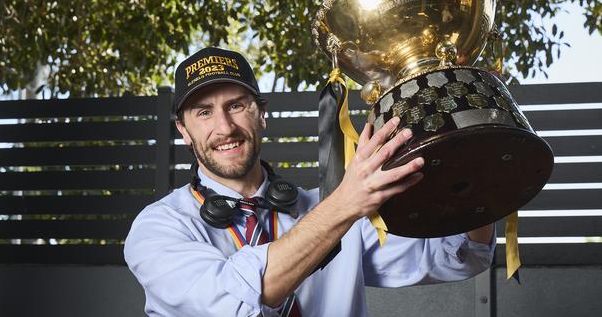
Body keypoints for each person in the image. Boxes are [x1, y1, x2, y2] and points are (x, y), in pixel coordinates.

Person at [124, 46, 495, 316]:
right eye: (204, 112)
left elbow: (461, 255)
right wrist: (344, 206)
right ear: (183, 131)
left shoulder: (336, 205)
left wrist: (471, 151)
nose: (225, 128)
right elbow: (239, 300)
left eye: (236, 105)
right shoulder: (159, 227)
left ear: (261, 115)